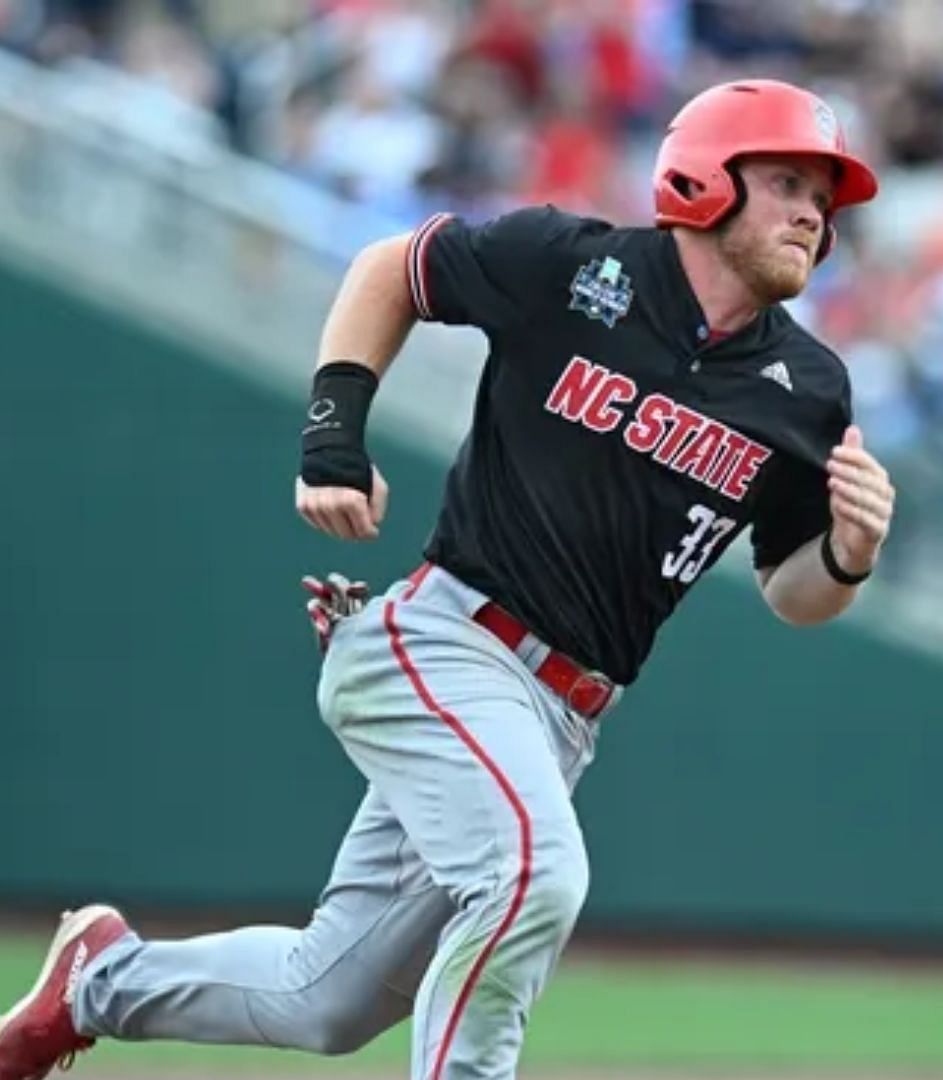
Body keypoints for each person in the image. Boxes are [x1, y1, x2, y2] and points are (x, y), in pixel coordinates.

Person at [0, 79, 895, 1080]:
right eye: (786, 181)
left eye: (826, 195)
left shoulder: (812, 389)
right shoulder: (574, 265)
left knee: (323, 998)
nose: (815, 212)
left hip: (564, 720)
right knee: (533, 874)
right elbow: (396, 269)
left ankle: (94, 984)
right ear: (701, 180)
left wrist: (849, 554)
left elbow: (793, 593)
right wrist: (334, 433)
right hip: (449, 640)